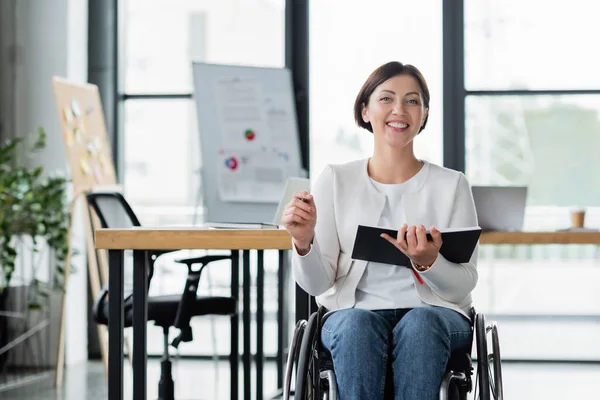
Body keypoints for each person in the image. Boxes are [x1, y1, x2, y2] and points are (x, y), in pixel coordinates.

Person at [281, 61, 478, 400]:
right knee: (358, 326)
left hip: (438, 316)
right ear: (366, 111)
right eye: (386, 99)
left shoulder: (452, 184)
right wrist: (303, 240)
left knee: (421, 324)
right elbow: (318, 284)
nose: (399, 110)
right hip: (353, 314)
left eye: (412, 101)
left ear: (425, 113)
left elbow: (464, 285)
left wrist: (430, 262)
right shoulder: (335, 179)